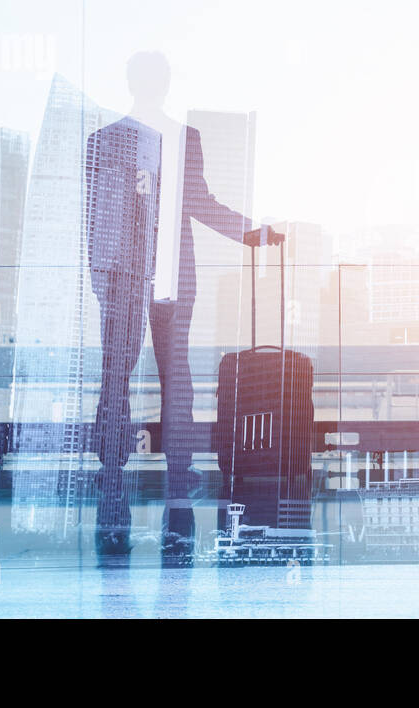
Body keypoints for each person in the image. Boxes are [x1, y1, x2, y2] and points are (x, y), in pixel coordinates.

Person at [85, 50, 279, 563]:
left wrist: (250, 233)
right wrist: (251, 234)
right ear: (158, 84)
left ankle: (120, 495)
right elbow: (189, 205)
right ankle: (159, 499)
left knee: (128, 380)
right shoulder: (114, 141)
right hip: (134, 279)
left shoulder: (117, 139)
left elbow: (186, 204)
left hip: (143, 280)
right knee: (158, 381)